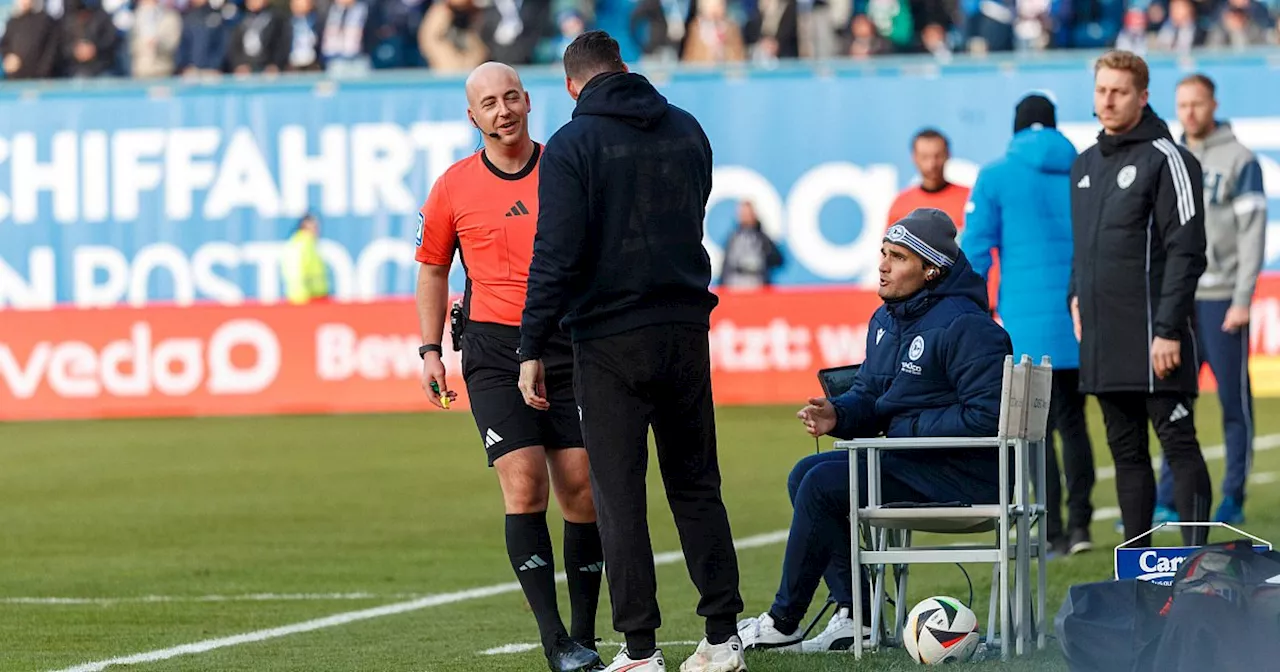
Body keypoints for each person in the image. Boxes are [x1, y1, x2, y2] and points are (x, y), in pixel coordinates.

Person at [517, 30, 746, 672]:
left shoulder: (571, 145)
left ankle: (640, 651)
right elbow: (693, 215)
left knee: (619, 495)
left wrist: (532, 343)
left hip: (608, 337)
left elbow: (555, 255)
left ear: (571, 86)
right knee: (697, 484)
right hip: (683, 327)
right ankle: (723, 638)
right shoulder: (688, 129)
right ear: (625, 66)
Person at [736, 208, 1012, 653]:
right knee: (805, 473)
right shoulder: (886, 320)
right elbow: (872, 396)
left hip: (970, 472)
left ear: (930, 269)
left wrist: (908, 426)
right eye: (883, 253)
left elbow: (988, 418)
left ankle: (784, 620)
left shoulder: (966, 324)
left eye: (898, 257)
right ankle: (853, 615)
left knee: (825, 482)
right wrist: (839, 415)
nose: (883, 265)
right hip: (921, 460)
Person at [413, 62, 604, 672]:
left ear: (528, 102)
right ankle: (555, 643)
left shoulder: (566, 170)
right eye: (489, 103)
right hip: (493, 351)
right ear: (473, 117)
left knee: (580, 491)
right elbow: (433, 267)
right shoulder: (451, 186)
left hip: (567, 344)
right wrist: (429, 349)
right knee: (525, 484)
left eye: (511, 97)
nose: (503, 110)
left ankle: (584, 634)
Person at [1068, 50, 1211, 548]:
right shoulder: (1083, 165)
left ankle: (1197, 569)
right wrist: (1074, 296)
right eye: (1102, 90)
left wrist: (1169, 328)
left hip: (1155, 338)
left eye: (1119, 92)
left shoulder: (1169, 159)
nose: (1108, 100)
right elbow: (1082, 247)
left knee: (1178, 444)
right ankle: (1137, 571)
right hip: (1104, 341)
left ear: (1143, 97)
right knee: (1126, 455)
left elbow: (1187, 250)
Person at [962, 92, 1097, 557]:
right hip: (1081, 317)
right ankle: (1081, 526)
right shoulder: (1084, 170)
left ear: (1016, 126)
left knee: (1034, 430)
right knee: (1074, 423)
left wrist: (968, 310)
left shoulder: (996, 175)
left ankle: (1053, 530)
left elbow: (975, 252)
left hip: (1024, 323)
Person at [1153, 73, 1267, 525]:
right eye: (1182, 105)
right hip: (1179, 300)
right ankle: (1166, 497)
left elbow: (1252, 235)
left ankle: (1234, 495)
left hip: (1223, 299)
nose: (1190, 113)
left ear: (1213, 104)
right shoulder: (1170, 159)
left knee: (1234, 404)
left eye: (1197, 104)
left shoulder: (1240, 159)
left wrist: (1243, 297)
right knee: (1172, 401)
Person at [887, 128, 971, 232]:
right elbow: (889, 246)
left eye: (938, 156)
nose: (932, 164)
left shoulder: (969, 199)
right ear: (914, 157)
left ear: (948, 155)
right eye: (924, 157)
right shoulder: (901, 204)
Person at [720, 200, 784, 290]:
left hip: (757, 285)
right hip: (734, 287)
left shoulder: (762, 238)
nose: (745, 217)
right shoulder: (733, 238)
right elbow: (725, 265)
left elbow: (778, 259)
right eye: (743, 213)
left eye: (747, 213)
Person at [281, 213, 330, 305]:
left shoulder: (304, 243)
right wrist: (303, 297)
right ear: (305, 226)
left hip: (311, 297)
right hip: (307, 298)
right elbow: (296, 271)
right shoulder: (302, 244)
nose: (317, 229)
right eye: (314, 226)